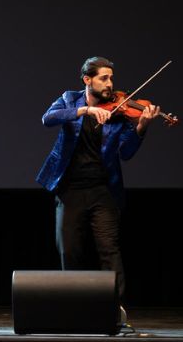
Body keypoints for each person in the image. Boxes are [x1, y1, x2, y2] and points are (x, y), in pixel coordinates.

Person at [36, 56, 159, 321]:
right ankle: (73, 309)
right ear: (87, 80)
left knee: (109, 250)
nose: (110, 84)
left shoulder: (119, 113)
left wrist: (141, 128)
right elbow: (48, 119)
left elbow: (126, 153)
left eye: (111, 78)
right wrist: (86, 111)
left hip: (103, 191)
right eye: (104, 78)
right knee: (69, 250)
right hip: (70, 189)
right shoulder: (70, 99)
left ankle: (116, 310)